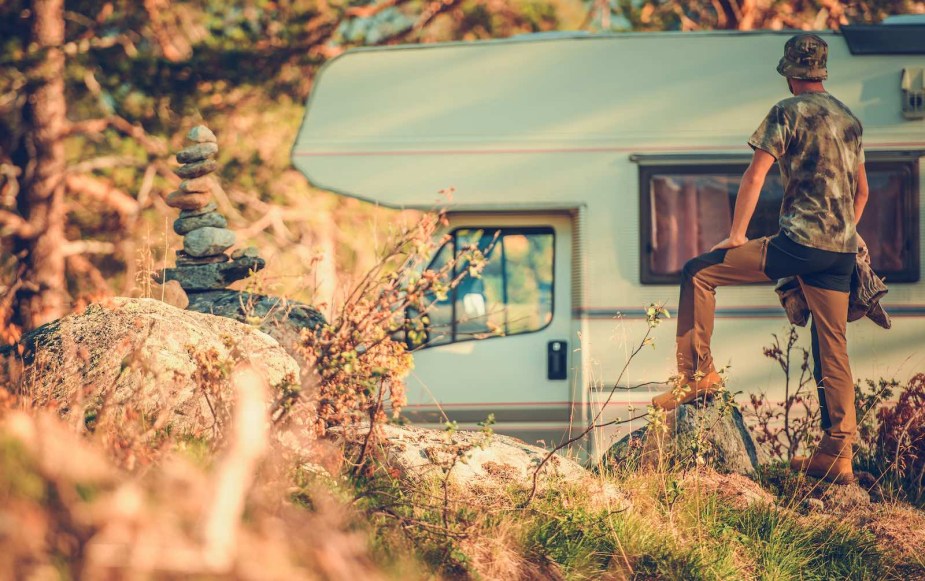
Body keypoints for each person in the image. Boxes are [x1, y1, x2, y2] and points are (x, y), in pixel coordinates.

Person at [650, 33, 869, 485]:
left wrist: (735, 236)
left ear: (790, 73)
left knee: (699, 272)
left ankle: (696, 375)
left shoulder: (786, 112)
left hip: (799, 243)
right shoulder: (849, 119)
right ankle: (838, 454)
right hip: (839, 251)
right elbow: (862, 192)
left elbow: (755, 177)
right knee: (833, 346)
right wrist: (844, 231)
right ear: (822, 72)